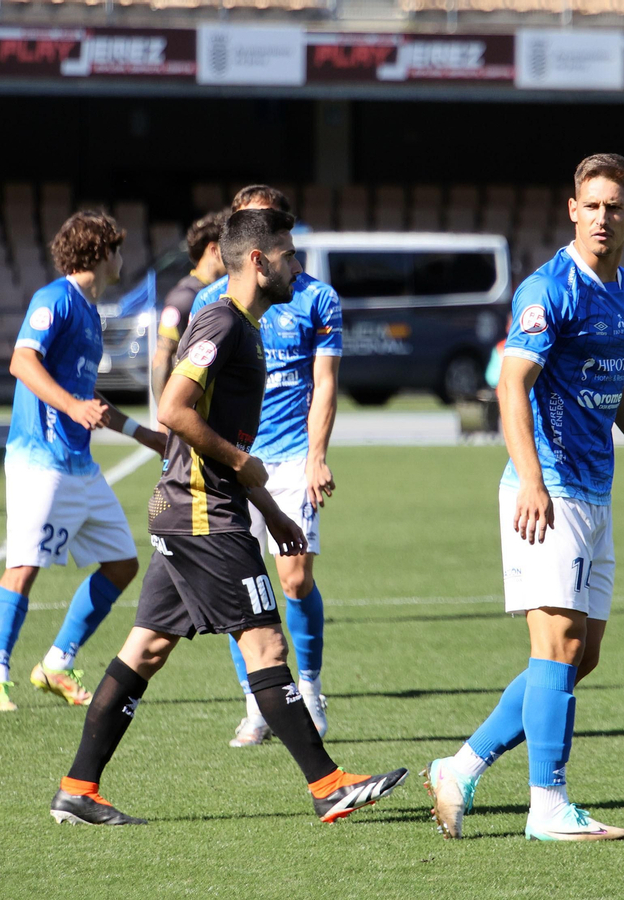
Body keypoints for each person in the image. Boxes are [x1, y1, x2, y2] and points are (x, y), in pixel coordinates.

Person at [48, 208, 406, 827]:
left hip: (199, 508)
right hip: (202, 515)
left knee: (146, 648)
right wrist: (246, 466)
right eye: (289, 254)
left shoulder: (248, 326)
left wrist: (271, 509)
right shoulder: (222, 322)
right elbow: (174, 408)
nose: (298, 264)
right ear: (260, 261)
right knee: (265, 641)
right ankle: (327, 784)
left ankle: (78, 788)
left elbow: (224, 448)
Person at [424, 153, 624, 842]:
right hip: (549, 491)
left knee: (580, 655)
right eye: (590, 205)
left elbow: (616, 380)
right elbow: (511, 385)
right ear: (573, 209)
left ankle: (462, 766)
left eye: (614, 206)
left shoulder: (623, 288)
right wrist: (530, 477)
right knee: (557, 646)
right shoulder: (547, 289)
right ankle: (548, 804)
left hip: (598, 492)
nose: (602, 216)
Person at [0, 210, 167, 714]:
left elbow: (91, 402)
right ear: (101, 252)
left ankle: (56, 662)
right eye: (118, 248)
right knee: (24, 566)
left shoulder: (89, 311)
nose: (122, 258)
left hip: (79, 465)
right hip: (39, 461)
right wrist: (71, 406)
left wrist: (149, 438)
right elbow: (22, 362)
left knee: (123, 563)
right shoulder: (54, 299)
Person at [188, 185, 343, 747]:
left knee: (295, 576)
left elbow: (323, 383)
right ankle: (257, 701)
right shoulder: (210, 302)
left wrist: (317, 456)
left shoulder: (316, 298)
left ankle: (309, 686)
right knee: (238, 581)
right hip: (233, 458)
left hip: (291, 455)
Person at [149, 211, 227, 414]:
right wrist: (166, 418)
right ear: (214, 250)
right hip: (193, 417)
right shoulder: (184, 297)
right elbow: (162, 358)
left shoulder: (226, 292)